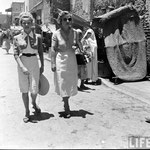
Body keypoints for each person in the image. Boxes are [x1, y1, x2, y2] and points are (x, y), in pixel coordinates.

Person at [13, 12, 44, 123]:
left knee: (34, 89)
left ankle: (34, 102)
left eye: (28, 22)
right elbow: (15, 54)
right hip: (22, 62)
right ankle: (27, 111)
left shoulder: (38, 37)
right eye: (24, 23)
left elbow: (40, 52)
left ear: (32, 23)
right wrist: (22, 67)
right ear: (21, 23)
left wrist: (42, 66)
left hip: (34, 62)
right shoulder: (16, 37)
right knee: (24, 89)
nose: (26, 25)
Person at [51, 11, 83, 118]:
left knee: (70, 82)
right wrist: (52, 63)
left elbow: (78, 44)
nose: (67, 21)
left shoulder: (75, 32)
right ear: (60, 21)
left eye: (69, 19)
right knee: (62, 81)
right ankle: (66, 105)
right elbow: (53, 49)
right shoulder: (56, 34)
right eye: (65, 19)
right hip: (60, 59)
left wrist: (76, 47)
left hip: (71, 59)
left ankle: (65, 99)